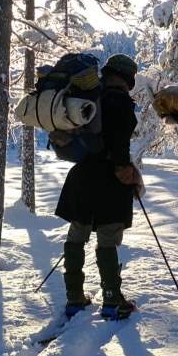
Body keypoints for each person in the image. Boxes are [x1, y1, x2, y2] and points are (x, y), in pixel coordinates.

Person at [54, 54, 142, 320]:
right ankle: (112, 301)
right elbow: (119, 143)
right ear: (127, 78)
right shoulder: (120, 101)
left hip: (81, 177)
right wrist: (126, 171)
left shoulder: (89, 97)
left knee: (76, 234)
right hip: (109, 181)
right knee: (107, 238)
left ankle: (74, 298)